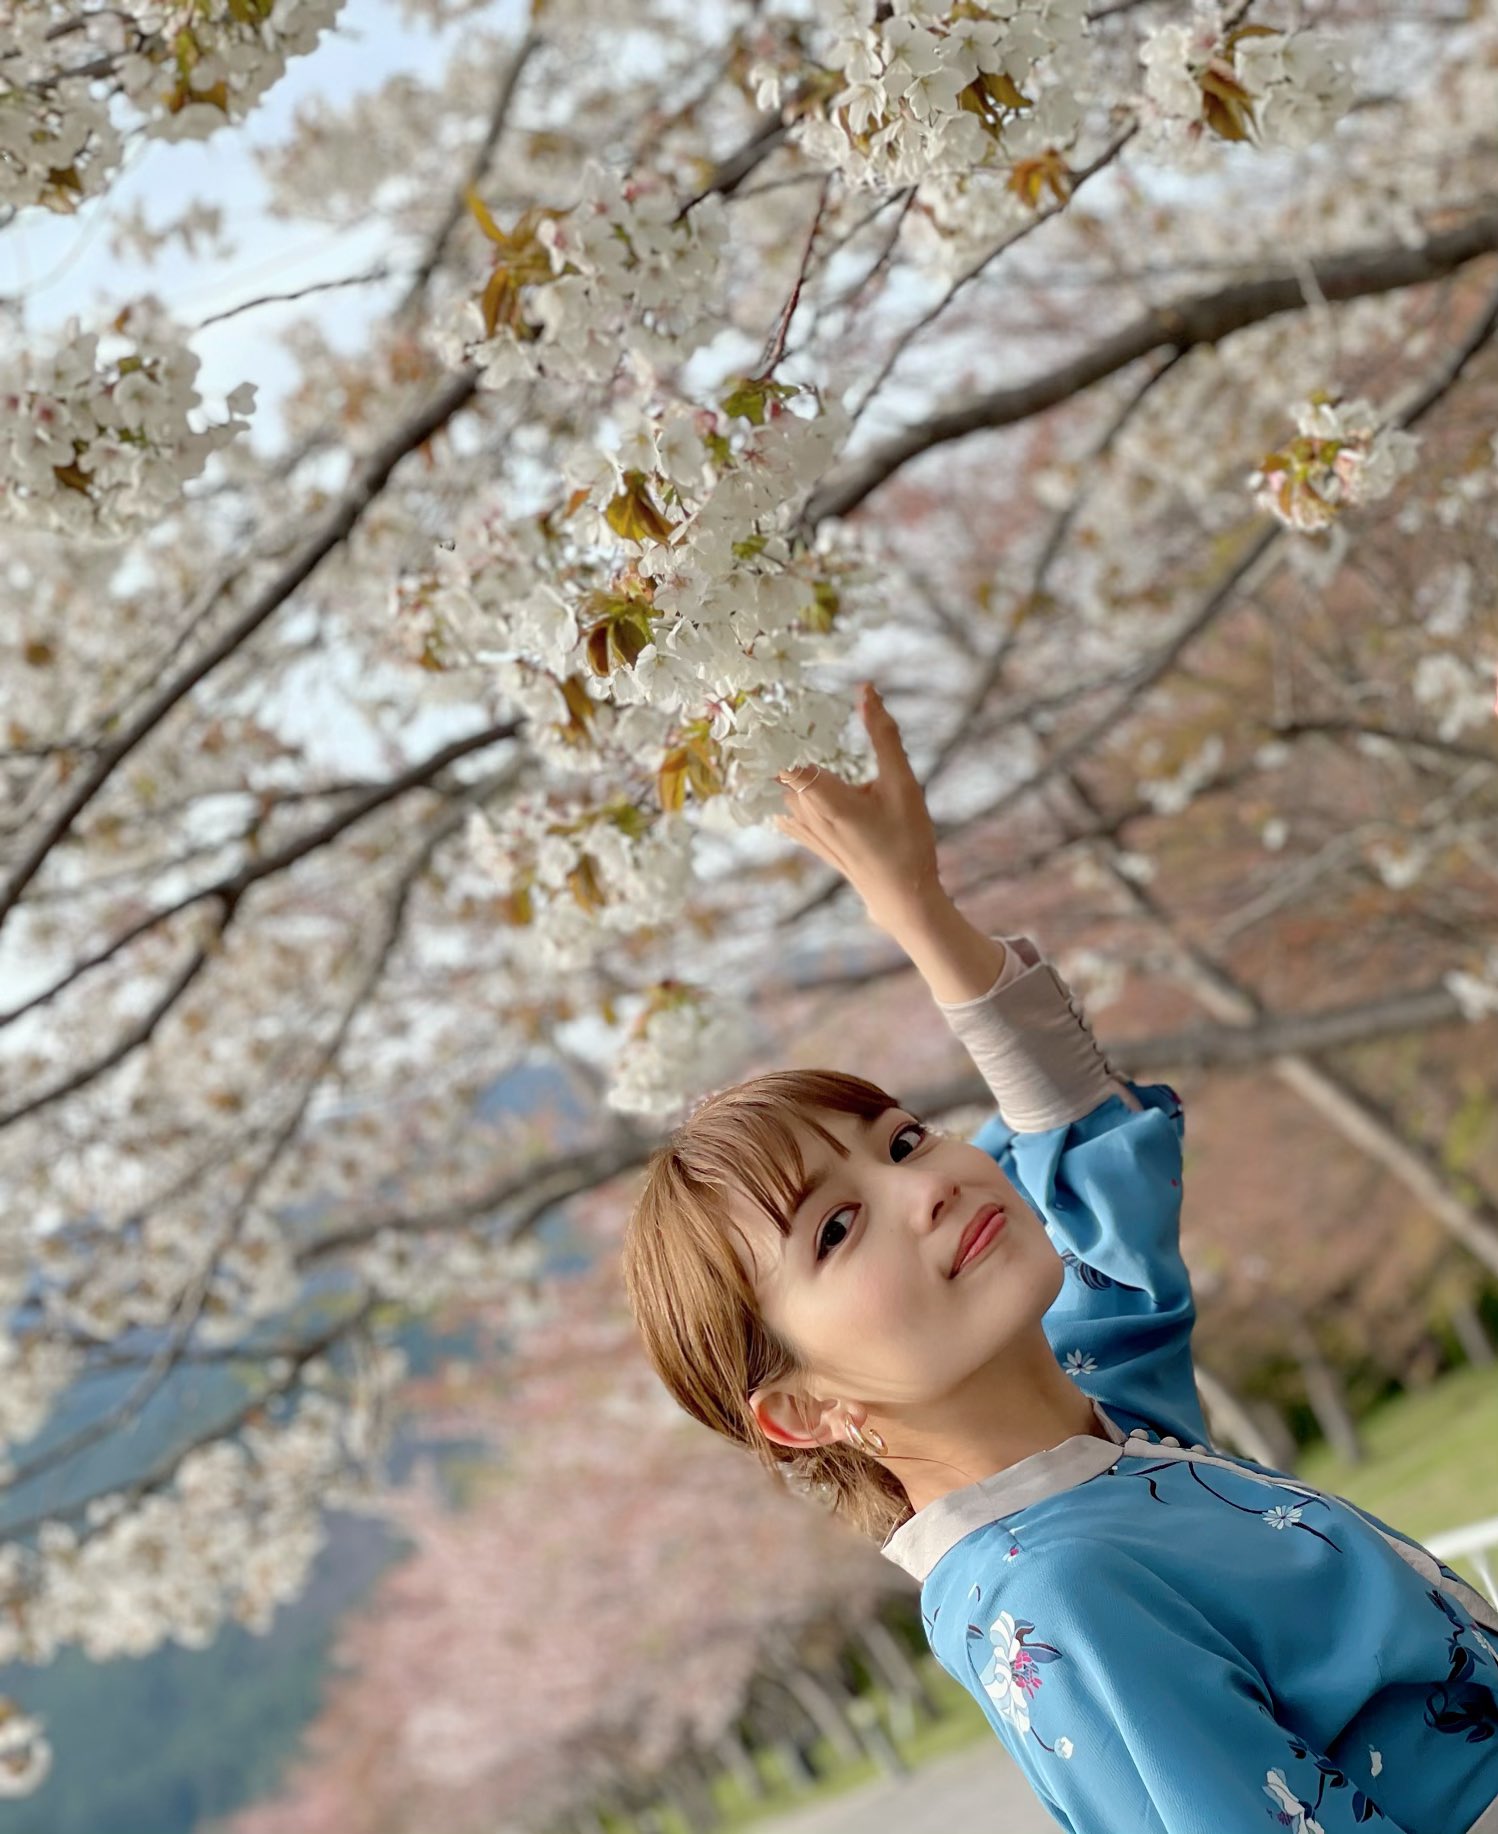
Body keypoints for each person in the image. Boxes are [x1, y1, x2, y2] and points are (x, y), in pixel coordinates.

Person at [619, 680, 1498, 1834]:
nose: (925, 1184)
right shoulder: (1055, 1591)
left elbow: (1080, 1150)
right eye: (835, 1227)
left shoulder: (1099, 1432)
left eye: (899, 1139)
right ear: (802, 1409)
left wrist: (917, 909)